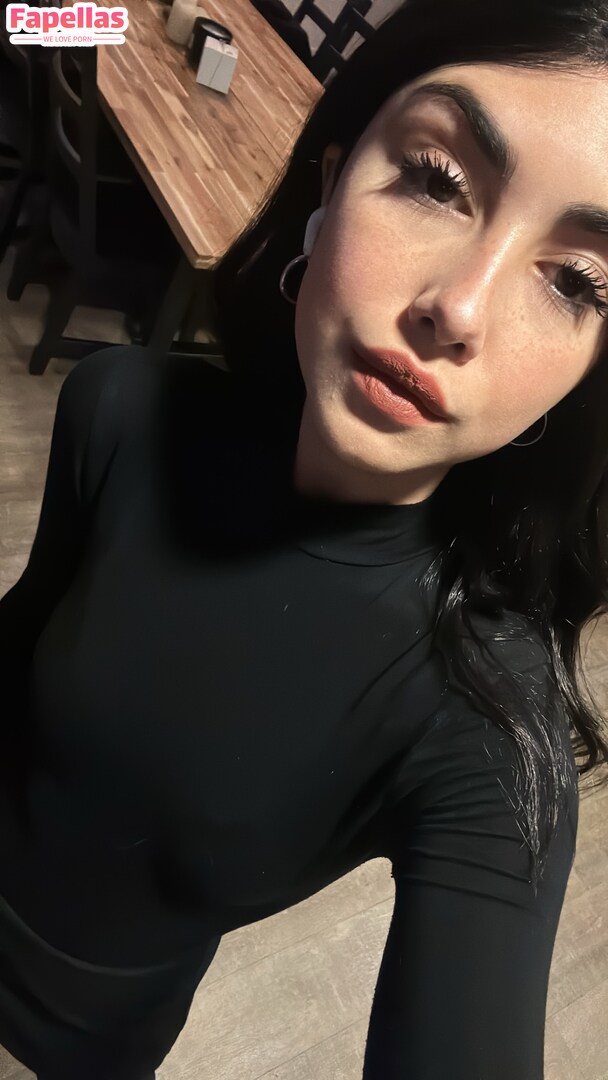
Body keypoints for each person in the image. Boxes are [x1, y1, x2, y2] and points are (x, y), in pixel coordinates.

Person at [1, 0, 608, 1076]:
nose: (459, 308)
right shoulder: (121, 405)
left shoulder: (480, 728)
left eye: (573, 281)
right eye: (437, 179)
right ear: (330, 183)